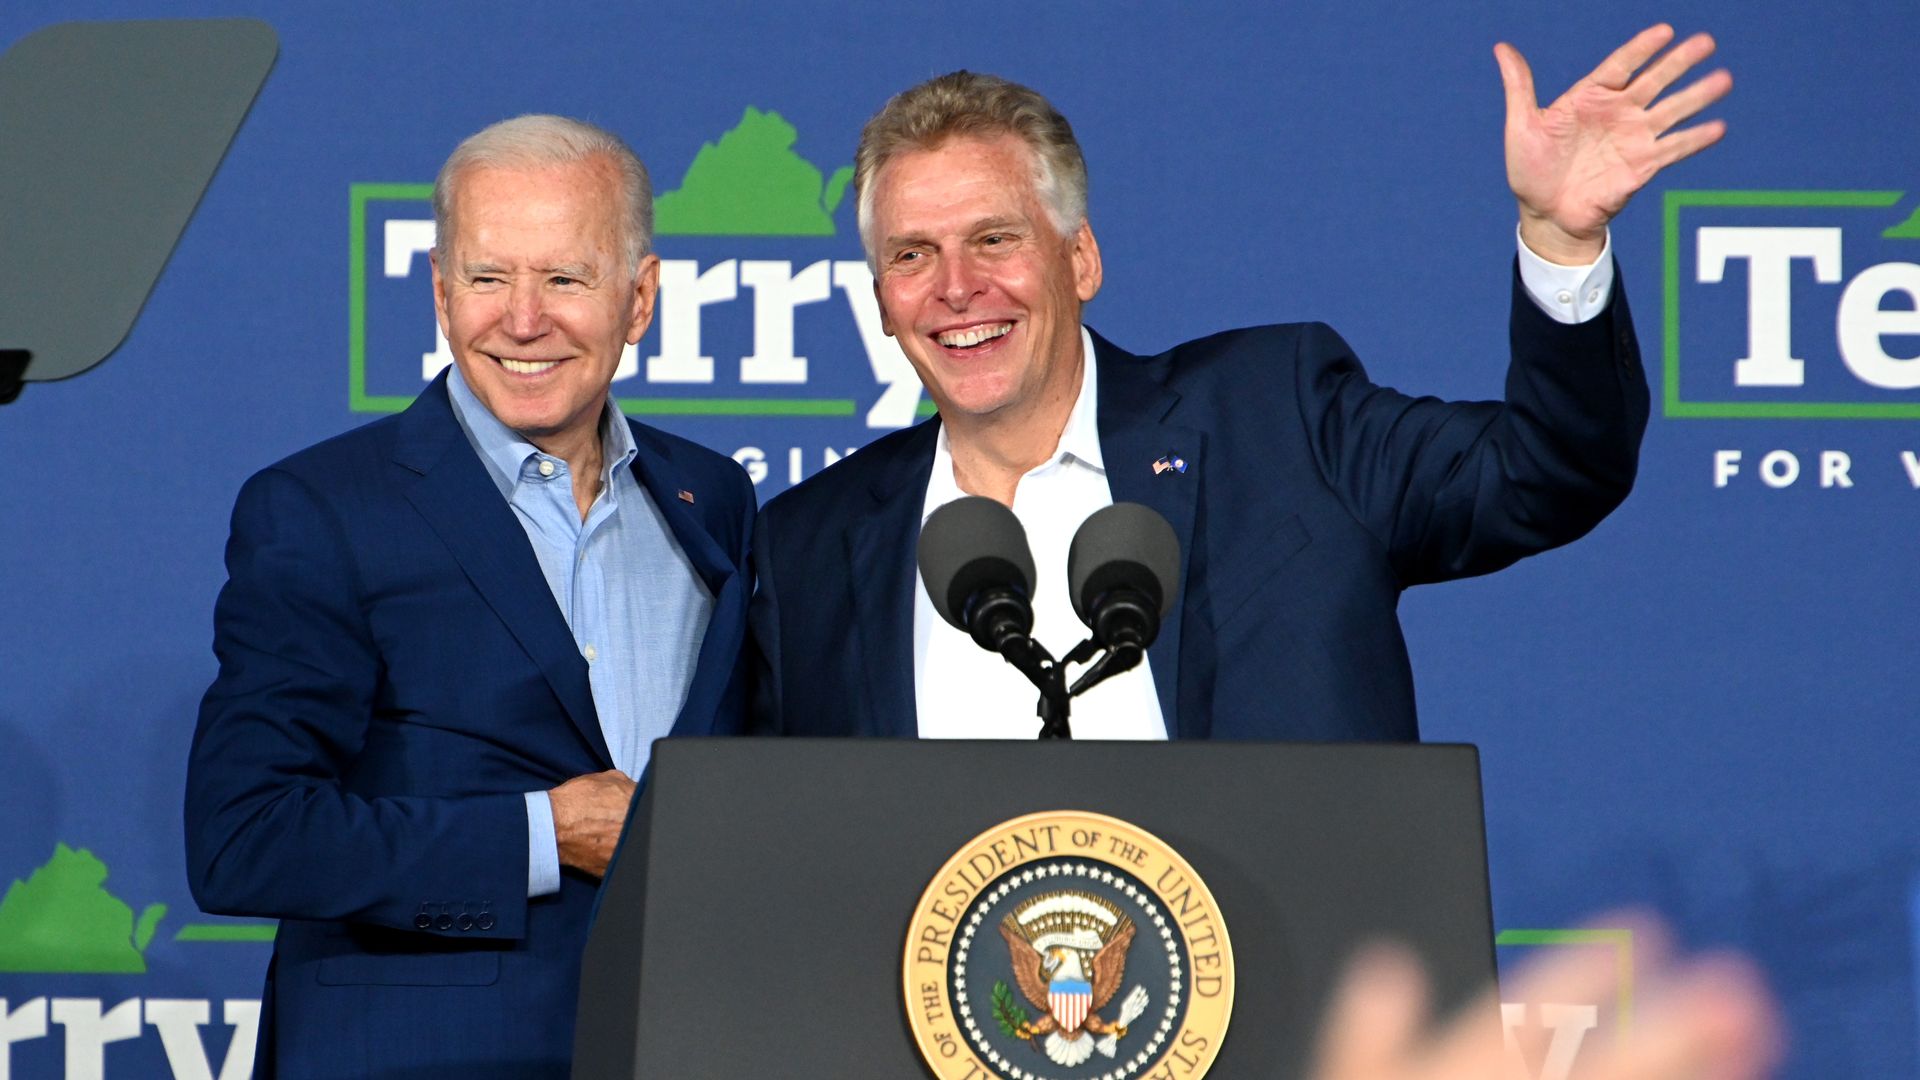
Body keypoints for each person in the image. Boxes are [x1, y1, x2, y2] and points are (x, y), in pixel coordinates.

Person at [748, 26, 1728, 741]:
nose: (957, 288)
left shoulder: (1278, 420)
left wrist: (1559, 239)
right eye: (912, 255)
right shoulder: (807, 550)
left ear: (1080, 260)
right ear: (882, 301)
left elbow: (1547, 470)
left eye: (995, 239)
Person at [184, 115, 755, 1078]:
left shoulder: (712, 497)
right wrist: (543, 835)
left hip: (679, 1042)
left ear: (640, 297)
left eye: (565, 278)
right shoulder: (323, 511)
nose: (523, 320)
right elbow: (247, 836)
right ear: (442, 294)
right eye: (488, 278)